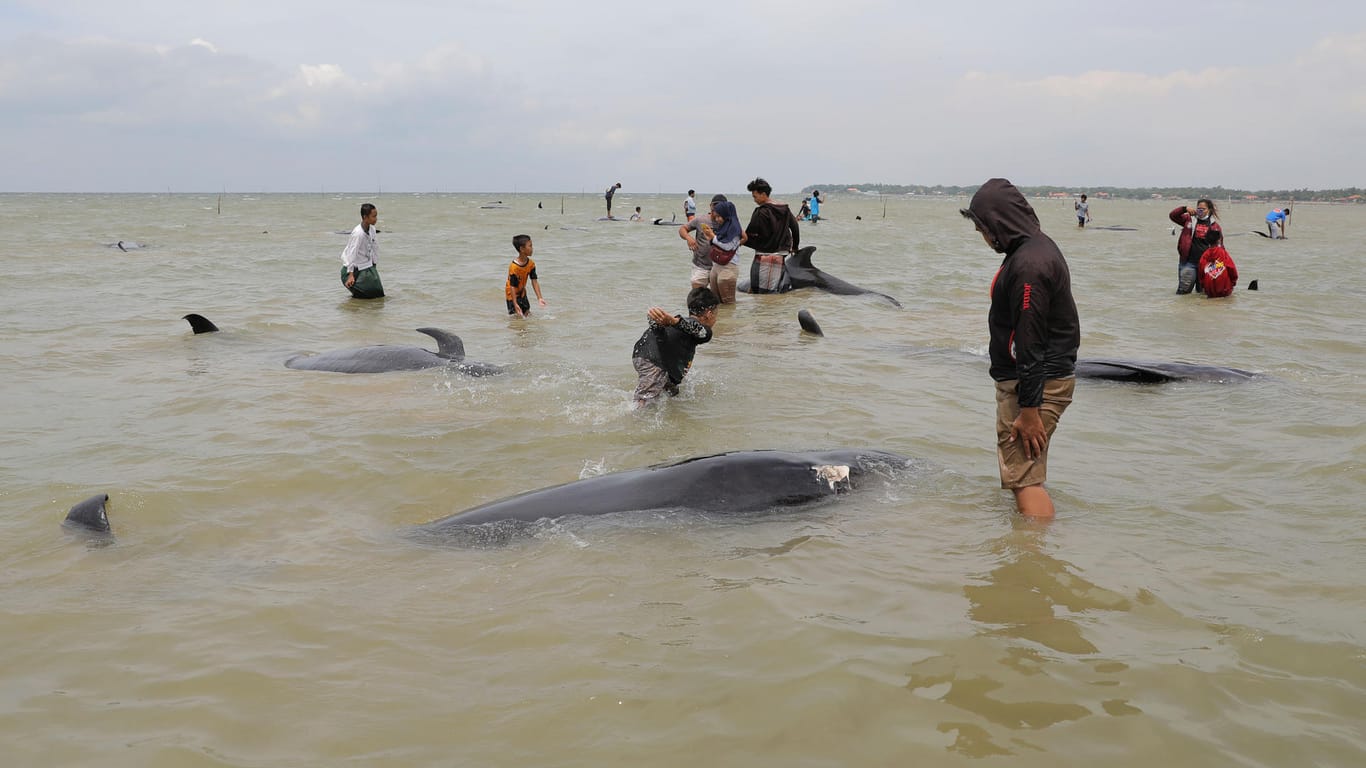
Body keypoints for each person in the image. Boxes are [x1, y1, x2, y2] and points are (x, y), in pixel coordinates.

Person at [960, 178, 1080, 520]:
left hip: (1035, 384)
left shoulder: (1029, 264)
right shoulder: (1033, 249)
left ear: (999, 224)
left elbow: (1030, 339)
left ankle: (1033, 561)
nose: (983, 237)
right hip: (1038, 380)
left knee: (1024, 478)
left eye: (983, 229)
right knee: (1025, 473)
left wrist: (1029, 410)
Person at [631, 287, 719, 407]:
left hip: (645, 354)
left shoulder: (677, 323)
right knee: (645, 403)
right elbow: (697, 330)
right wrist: (674, 322)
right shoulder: (697, 328)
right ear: (709, 314)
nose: (716, 319)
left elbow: (659, 331)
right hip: (653, 360)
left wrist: (655, 321)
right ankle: (632, 421)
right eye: (716, 314)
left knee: (672, 392)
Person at [679, 194, 742, 303]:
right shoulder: (701, 220)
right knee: (698, 299)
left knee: (721, 301)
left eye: (719, 208)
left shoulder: (728, 223)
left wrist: (732, 250)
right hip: (701, 265)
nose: (715, 212)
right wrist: (688, 238)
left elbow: (743, 237)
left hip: (721, 265)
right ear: (710, 206)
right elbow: (683, 229)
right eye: (714, 206)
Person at [742, 177, 801, 293]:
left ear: (763, 194)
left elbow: (750, 235)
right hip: (780, 255)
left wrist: (739, 241)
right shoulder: (785, 209)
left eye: (755, 196)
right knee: (772, 291)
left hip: (764, 256)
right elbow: (795, 228)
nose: (754, 200)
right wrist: (795, 247)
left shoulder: (761, 212)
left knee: (761, 292)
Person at [1169, 199, 1222, 294]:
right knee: (1183, 292)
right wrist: (1184, 209)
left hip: (1206, 265)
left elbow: (1220, 247)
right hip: (1188, 263)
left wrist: (1219, 266)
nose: (1200, 211)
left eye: (1203, 209)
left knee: (1203, 294)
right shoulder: (1189, 219)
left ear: (1209, 210)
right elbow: (1173, 215)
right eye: (1198, 208)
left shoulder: (1215, 226)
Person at [340, 203, 384, 298]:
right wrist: (351, 275)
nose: (376, 219)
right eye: (373, 216)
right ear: (365, 217)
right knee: (365, 295)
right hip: (353, 269)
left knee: (379, 294)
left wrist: (374, 266)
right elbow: (352, 254)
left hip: (367, 267)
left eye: (376, 216)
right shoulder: (358, 234)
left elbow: (375, 247)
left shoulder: (372, 229)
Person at [505, 234, 547, 318]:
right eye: (530, 246)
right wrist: (515, 303)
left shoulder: (531, 264)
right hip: (511, 295)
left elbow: (534, 281)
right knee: (517, 317)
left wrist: (540, 298)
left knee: (527, 312)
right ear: (522, 249)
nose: (532, 248)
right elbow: (512, 286)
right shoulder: (514, 267)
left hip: (522, 292)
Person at [1197, 229, 1239, 298]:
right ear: (1219, 240)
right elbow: (1232, 269)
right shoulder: (1223, 253)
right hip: (1224, 288)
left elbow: (1201, 273)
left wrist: (1203, 286)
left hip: (1209, 289)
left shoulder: (1204, 255)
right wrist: (1233, 282)